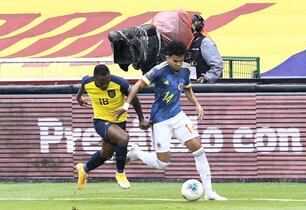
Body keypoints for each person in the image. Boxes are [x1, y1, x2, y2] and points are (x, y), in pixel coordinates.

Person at [113, 41, 227, 200]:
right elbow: (137, 85)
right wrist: (126, 105)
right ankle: (136, 153)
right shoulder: (158, 70)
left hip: (178, 116)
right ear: (167, 58)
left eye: (181, 60)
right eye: (175, 61)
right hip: (160, 120)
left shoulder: (186, 69)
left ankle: (209, 193)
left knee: (199, 151)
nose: (178, 64)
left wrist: (197, 104)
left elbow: (187, 89)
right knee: (163, 164)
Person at [75, 64, 148, 190]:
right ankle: (120, 173)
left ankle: (84, 169)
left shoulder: (120, 83)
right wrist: (79, 98)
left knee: (106, 154)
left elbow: (134, 98)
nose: (104, 85)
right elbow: (82, 89)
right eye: (101, 83)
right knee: (124, 138)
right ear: (94, 78)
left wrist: (141, 118)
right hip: (100, 121)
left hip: (119, 122)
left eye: (107, 82)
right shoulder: (88, 82)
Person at [185, 14, 224, 83]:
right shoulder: (186, 42)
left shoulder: (205, 42)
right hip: (187, 84)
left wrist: (207, 77)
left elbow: (218, 64)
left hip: (201, 86)